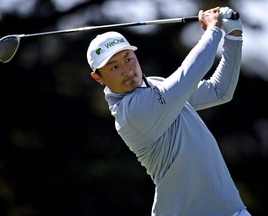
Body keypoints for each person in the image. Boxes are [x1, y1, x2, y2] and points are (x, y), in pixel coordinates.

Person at [86, 6, 250, 216]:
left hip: (233, 211)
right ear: (98, 78)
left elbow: (220, 91)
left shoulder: (155, 85)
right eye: (113, 67)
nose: (127, 71)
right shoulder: (130, 113)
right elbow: (188, 74)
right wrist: (213, 30)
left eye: (128, 59)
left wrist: (233, 35)